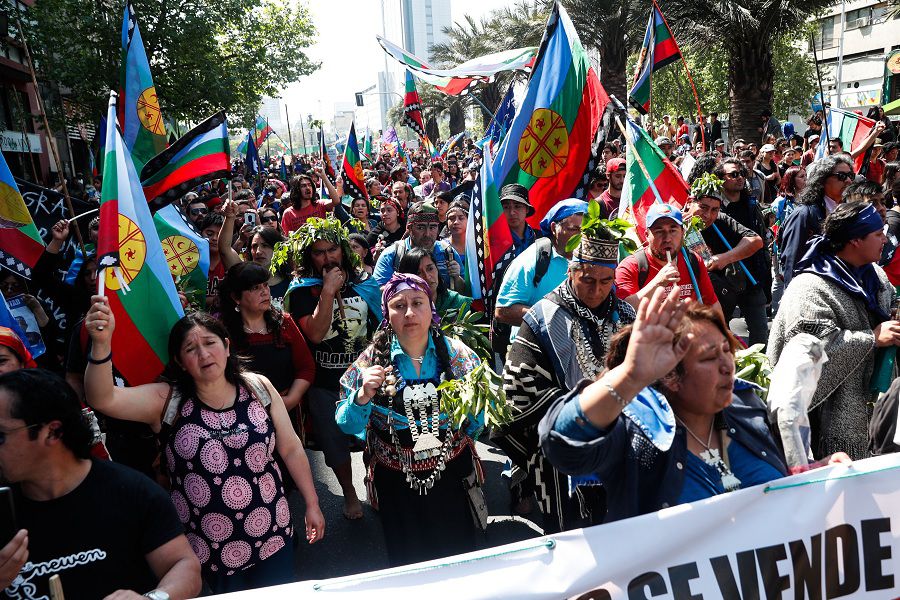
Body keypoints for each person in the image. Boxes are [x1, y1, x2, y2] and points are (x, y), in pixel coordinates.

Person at [539, 289, 849, 523]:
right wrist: (630, 377)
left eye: (727, 351)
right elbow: (561, 444)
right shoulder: (638, 434)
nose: (728, 365)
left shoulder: (747, 408)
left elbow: (777, 488)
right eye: (709, 358)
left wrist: (816, 473)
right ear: (671, 376)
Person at [82, 307, 325, 593]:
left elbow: (291, 448)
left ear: (226, 345)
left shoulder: (258, 387)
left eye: (210, 343)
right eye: (191, 348)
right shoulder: (166, 400)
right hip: (209, 548)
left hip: (273, 534)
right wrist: (101, 343)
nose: (204, 354)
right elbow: (102, 397)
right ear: (180, 362)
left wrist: (312, 503)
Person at [0, 369, 201, 599]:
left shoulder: (132, 493)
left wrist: (153, 597)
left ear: (52, 432)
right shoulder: (5, 509)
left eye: (1, 435)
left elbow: (185, 567)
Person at [493, 219, 636, 533]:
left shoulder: (626, 315)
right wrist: (584, 402)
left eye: (605, 280)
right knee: (572, 536)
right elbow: (518, 387)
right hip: (563, 453)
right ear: (571, 271)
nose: (596, 290)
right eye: (587, 279)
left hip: (620, 447)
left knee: (624, 532)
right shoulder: (543, 317)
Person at [336, 273, 484, 567]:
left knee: (461, 557)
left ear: (432, 309)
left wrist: (464, 424)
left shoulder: (460, 356)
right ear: (386, 314)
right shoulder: (369, 363)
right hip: (397, 483)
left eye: (418, 303)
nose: (409, 313)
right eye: (398, 305)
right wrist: (362, 396)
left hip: (452, 477)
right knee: (409, 560)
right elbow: (346, 424)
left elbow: (479, 420)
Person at [769, 202, 895, 460]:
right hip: (829, 423)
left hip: (875, 406)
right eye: (877, 234)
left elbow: (890, 305)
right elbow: (807, 354)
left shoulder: (876, 276)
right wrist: (871, 339)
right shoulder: (810, 287)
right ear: (855, 241)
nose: (885, 239)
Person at [283, 217, 383, 521]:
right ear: (308, 257)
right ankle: (349, 492)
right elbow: (313, 334)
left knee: (375, 437)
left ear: (344, 251)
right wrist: (327, 292)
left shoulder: (365, 283)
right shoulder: (301, 292)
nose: (327, 258)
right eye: (318, 252)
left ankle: (374, 481)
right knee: (334, 443)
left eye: (332, 250)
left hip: (366, 380)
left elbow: (381, 327)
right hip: (325, 384)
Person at [219, 262, 314, 416]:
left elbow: (306, 367)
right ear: (236, 297)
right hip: (240, 415)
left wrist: (291, 399)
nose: (264, 292)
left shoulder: (284, 323)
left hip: (285, 410)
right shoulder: (223, 333)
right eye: (255, 288)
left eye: (265, 285)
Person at [683, 175, 767, 345]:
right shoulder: (675, 224)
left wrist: (725, 258)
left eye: (715, 209)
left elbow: (756, 241)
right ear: (689, 201)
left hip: (729, 291)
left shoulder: (721, 220)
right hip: (694, 301)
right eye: (703, 207)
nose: (708, 215)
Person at [494, 199, 587, 341]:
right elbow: (503, 311)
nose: (580, 236)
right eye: (573, 229)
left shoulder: (593, 262)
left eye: (585, 230)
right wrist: (554, 320)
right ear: (554, 227)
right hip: (533, 353)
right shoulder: (531, 260)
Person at [615, 204, 720, 311]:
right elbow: (622, 311)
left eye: (673, 230)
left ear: (682, 233)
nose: (667, 239)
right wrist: (659, 282)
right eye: (659, 231)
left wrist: (722, 327)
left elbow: (712, 303)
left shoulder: (693, 260)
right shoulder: (630, 266)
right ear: (647, 235)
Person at [778, 155, 855, 287]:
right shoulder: (804, 214)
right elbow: (792, 261)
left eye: (850, 175)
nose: (848, 180)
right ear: (823, 179)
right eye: (841, 176)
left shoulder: (850, 210)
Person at [373, 201, 461, 289]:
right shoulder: (392, 255)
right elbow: (376, 293)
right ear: (409, 228)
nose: (427, 234)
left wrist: (457, 278)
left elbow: (466, 292)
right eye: (420, 227)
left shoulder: (448, 252)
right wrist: (402, 283)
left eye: (432, 227)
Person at [219, 200, 291, 307]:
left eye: (265, 246)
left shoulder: (292, 281)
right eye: (254, 246)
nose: (258, 252)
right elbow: (225, 249)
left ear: (277, 248)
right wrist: (229, 217)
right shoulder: (244, 275)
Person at [397, 247, 471, 316]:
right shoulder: (402, 311)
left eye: (430, 269)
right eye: (418, 273)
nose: (427, 276)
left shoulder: (458, 303)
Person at [498, 183, 538, 258]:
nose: (512, 212)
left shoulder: (540, 238)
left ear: (527, 209)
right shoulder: (495, 241)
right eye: (506, 207)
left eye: (517, 206)